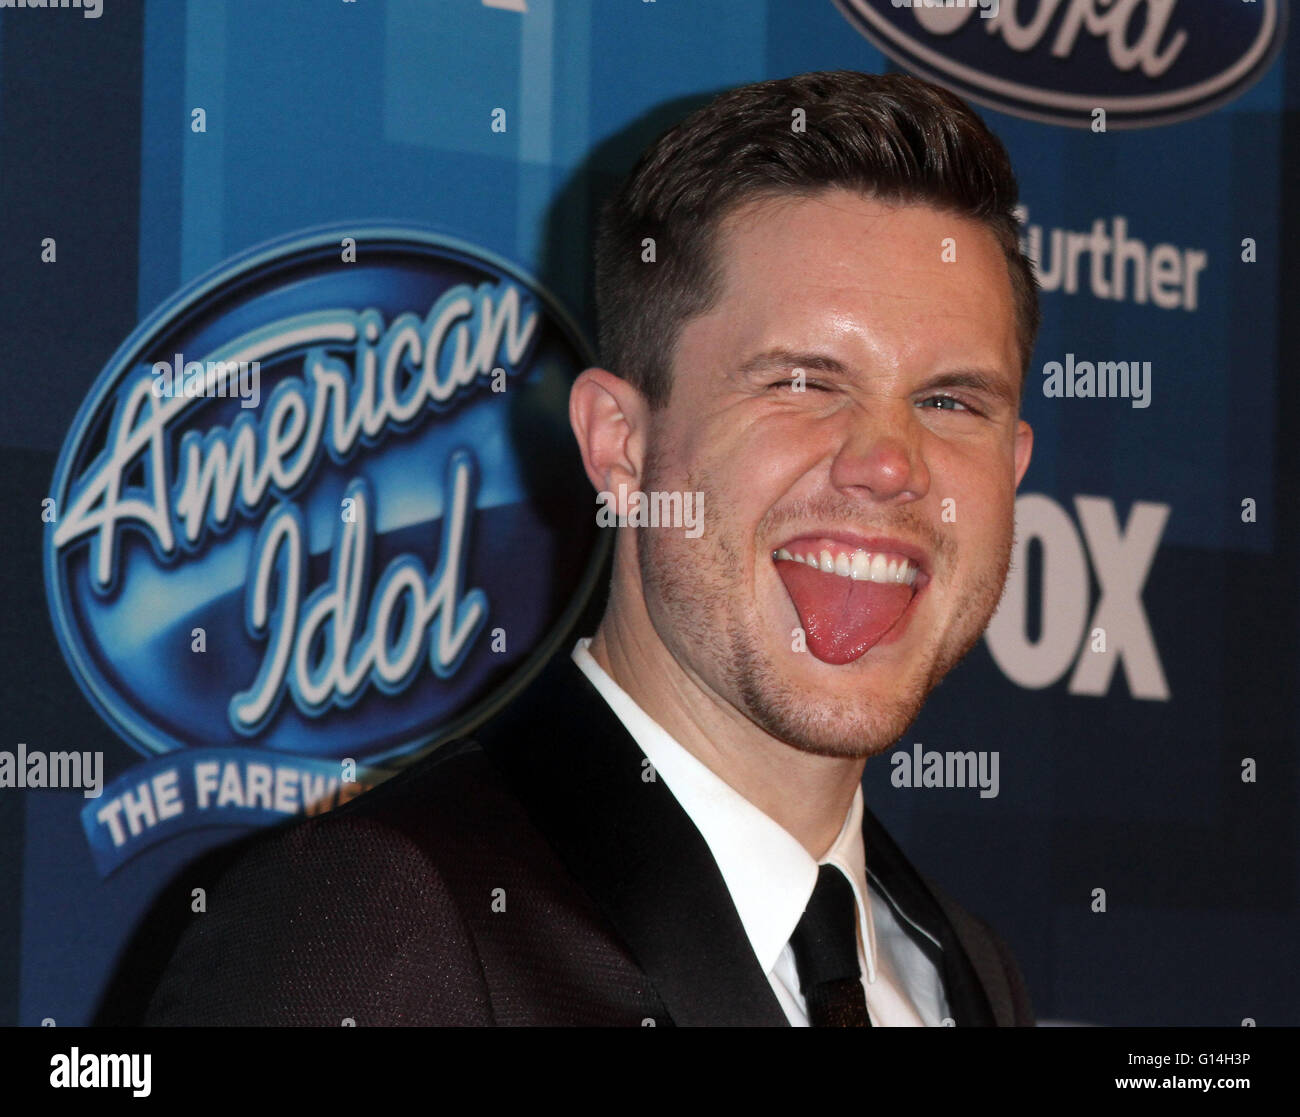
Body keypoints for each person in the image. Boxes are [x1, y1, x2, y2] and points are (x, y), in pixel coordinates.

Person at [144, 69, 1037, 1027]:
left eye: (951, 401)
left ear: (1015, 464)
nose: (889, 463)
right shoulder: (375, 927)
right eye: (804, 383)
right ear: (620, 444)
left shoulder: (958, 971)